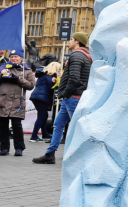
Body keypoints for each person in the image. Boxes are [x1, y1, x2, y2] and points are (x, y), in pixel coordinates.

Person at [34, 32, 92, 165]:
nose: (69, 41)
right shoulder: (85, 55)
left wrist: (65, 93)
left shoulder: (77, 55)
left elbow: (74, 78)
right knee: (58, 124)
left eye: (71, 39)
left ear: (77, 41)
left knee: (77, 127)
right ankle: (50, 154)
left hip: (73, 97)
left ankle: (83, 157)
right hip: (71, 97)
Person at [0, 50, 36, 156]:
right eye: (12, 57)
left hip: (17, 101)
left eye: (16, 57)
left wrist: (18, 79)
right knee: (3, 126)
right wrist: (0, 74)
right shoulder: (3, 67)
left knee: (16, 126)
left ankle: (19, 148)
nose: (14, 59)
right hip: (3, 101)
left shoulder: (26, 70)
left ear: (21, 58)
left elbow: (31, 85)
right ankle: (4, 148)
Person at [29, 61, 61, 142]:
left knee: (44, 116)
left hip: (37, 96)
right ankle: (34, 136)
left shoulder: (43, 74)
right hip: (42, 98)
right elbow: (51, 87)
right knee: (41, 116)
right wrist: (56, 81)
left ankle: (44, 133)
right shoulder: (50, 76)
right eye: (59, 69)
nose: (59, 70)